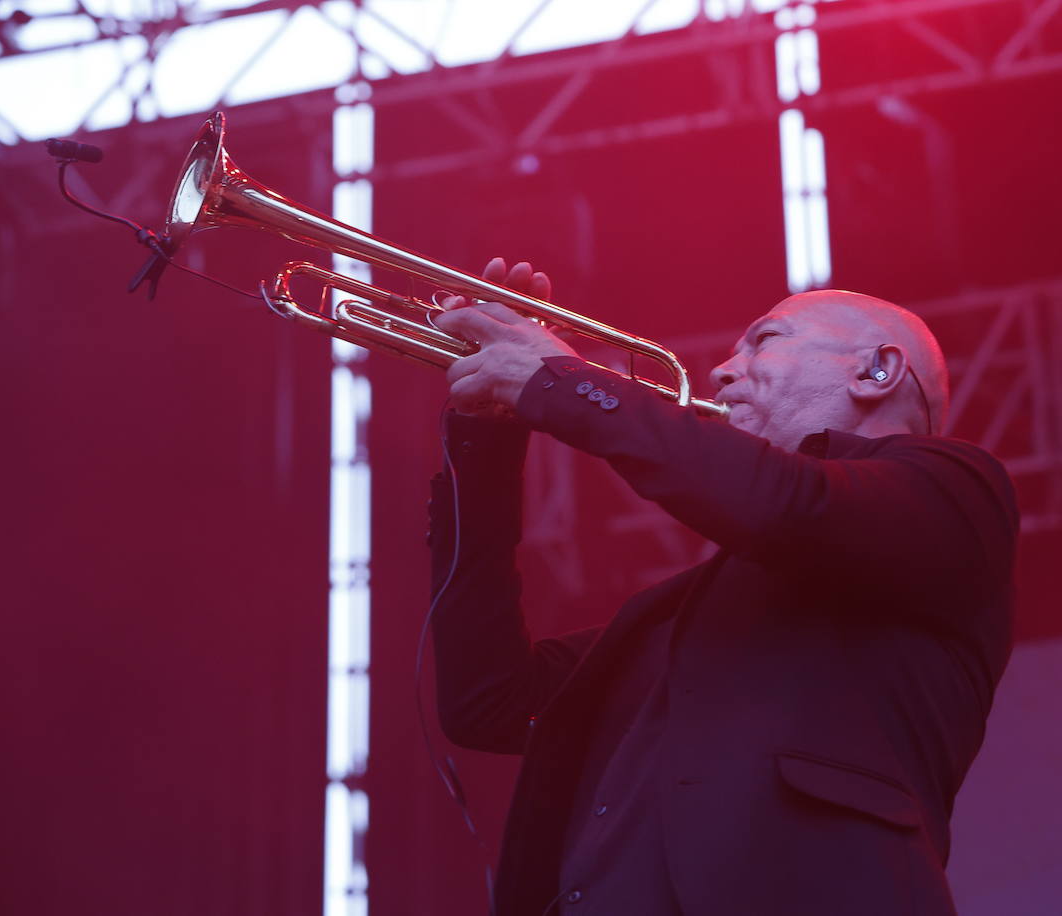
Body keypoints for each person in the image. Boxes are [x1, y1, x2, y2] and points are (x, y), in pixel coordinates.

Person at [426, 258, 1018, 916]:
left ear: (877, 371)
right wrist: (489, 436)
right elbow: (488, 701)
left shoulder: (957, 490)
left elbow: (787, 505)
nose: (720, 369)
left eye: (763, 340)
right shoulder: (676, 618)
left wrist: (561, 382)